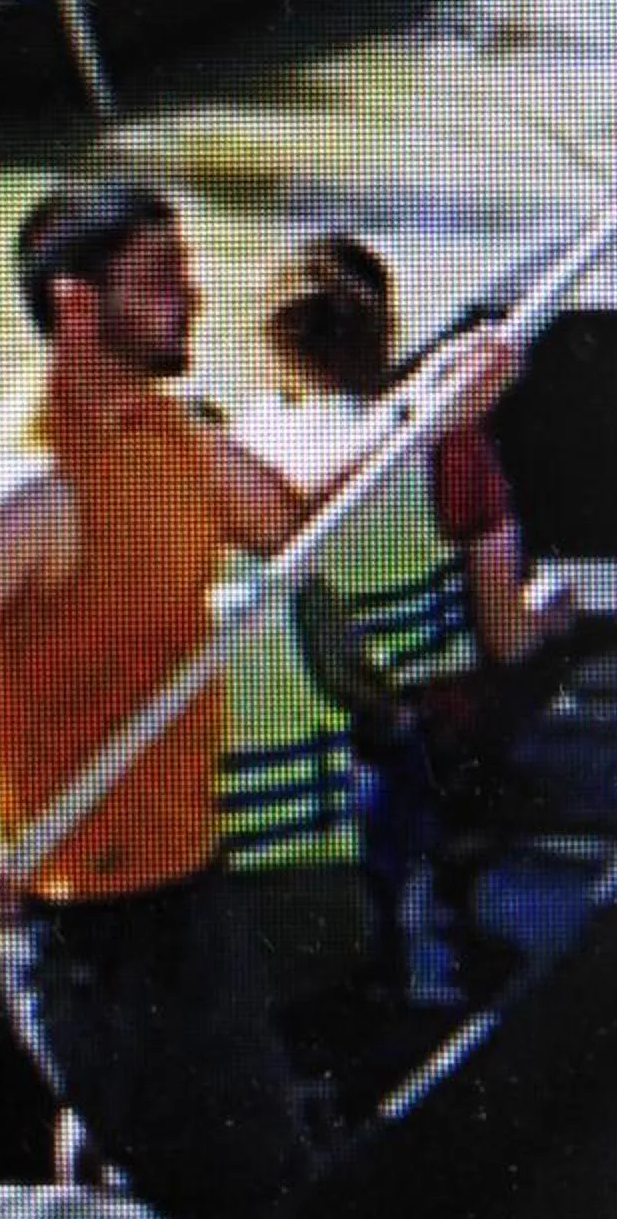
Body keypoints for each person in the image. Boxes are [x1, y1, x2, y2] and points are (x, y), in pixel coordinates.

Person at [0, 180, 514, 1219]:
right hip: (92, 926)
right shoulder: (22, 491)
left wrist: (419, 418)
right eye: (163, 284)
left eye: (189, 275)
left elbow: (289, 516)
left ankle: (109, 1164)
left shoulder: (167, 437)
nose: (194, 300)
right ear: (78, 307)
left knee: (245, 1159)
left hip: (194, 883)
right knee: (242, 1200)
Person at [221, 233, 570, 1002]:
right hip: (431, 733)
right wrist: (547, 614)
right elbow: (505, 639)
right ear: (386, 335)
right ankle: (456, 888)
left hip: (313, 739)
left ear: (270, 346)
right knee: (543, 631)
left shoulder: (236, 453)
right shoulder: (445, 451)